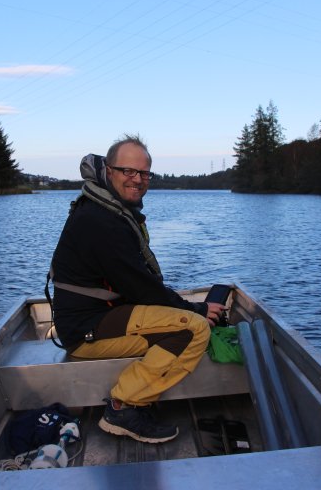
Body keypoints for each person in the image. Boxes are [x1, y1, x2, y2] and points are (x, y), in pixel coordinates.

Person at [48, 135, 227, 443]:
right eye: (128, 171)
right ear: (108, 170)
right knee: (195, 329)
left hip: (97, 317)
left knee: (179, 320)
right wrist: (197, 309)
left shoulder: (105, 209)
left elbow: (137, 285)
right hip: (86, 330)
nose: (138, 180)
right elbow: (143, 288)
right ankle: (124, 405)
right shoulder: (100, 221)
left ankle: (132, 398)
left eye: (144, 173)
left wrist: (177, 305)